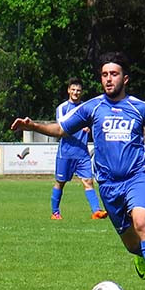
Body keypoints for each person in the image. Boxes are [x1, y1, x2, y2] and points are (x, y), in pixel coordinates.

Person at [11, 51, 145, 290]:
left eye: (114, 74)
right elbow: (60, 129)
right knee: (131, 242)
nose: (109, 79)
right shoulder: (92, 107)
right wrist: (33, 126)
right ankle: (140, 256)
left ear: (126, 78)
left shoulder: (139, 107)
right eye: (104, 75)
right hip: (108, 185)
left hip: (137, 176)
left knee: (142, 222)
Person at [50, 77, 107, 220]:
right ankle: (55, 212)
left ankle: (96, 211)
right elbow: (62, 127)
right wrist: (81, 126)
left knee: (88, 182)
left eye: (78, 90)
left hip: (82, 153)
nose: (76, 92)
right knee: (60, 183)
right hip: (66, 152)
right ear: (68, 90)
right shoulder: (62, 108)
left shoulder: (86, 108)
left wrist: (90, 127)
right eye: (73, 90)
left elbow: (94, 123)